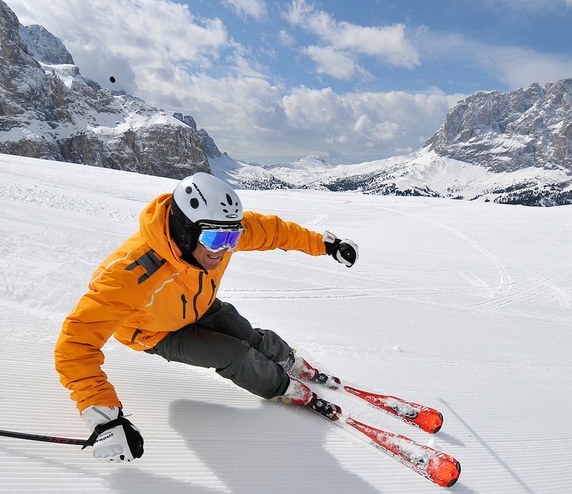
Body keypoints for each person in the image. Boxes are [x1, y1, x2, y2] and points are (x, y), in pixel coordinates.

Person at [54, 172, 358, 462]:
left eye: (233, 238)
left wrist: (327, 245)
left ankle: (287, 360)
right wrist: (104, 418)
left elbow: (274, 232)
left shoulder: (217, 233)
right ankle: (283, 387)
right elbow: (75, 345)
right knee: (233, 353)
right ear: (185, 230)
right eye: (215, 240)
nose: (223, 250)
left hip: (197, 306)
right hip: (156, 332)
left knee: (242, 332)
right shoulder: (131, 273)